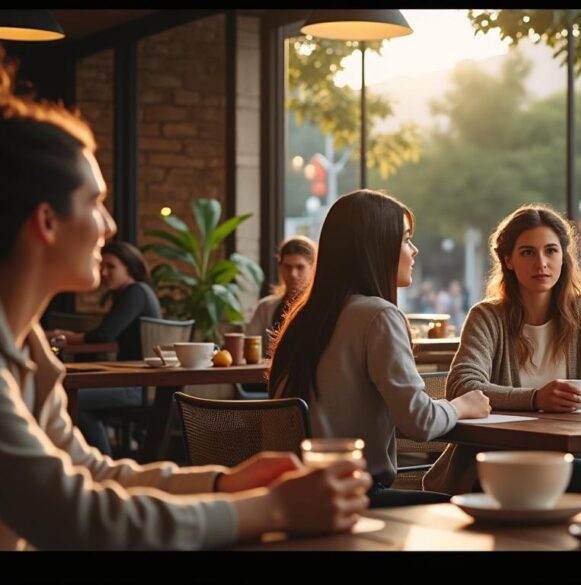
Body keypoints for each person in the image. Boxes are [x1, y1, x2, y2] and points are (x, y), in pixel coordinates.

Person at [0, 50, 370, 550]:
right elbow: (76, 516)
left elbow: (89, 471)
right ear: (46, 221)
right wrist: (273, 508)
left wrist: (223, 482)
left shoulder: (31, 349)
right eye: (95, 202)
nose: (109, 226)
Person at [268, 189, 491, 508]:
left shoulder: (303, 318)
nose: (414, 251)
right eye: (406, 239)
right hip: (356, 498)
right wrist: (462, 405)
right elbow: (419, 422)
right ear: (377, 247)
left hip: (296, 496)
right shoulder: (378, 315)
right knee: (476, 505)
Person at [425, 204, 581, 495]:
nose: (541, 262)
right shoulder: (487, 317)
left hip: (558, 455)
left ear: (563, 258)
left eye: (551, 251)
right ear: (509, 260)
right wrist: (536, 398)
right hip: (487, 462)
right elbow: (463, 386)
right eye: (528, 252)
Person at [45, 240, 160, 454]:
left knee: (70, 399)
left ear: (129, 266)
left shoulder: (136, 292)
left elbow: (103, 334)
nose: (104, 272)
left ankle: (101, 466)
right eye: (101, 267)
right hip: (137, 382)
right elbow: (106, 335)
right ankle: (102, 463)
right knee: (76, 400)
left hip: (140, 386)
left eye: (111, 266)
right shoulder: (134, 293)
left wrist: (64, 337)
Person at [245, 235, 316, 354]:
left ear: (312, 268)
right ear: (280, 267)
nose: (293, 274)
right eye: (288, 267)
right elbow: (249, 347)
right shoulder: (265, 307)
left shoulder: (322, 306)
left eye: (300, 267)